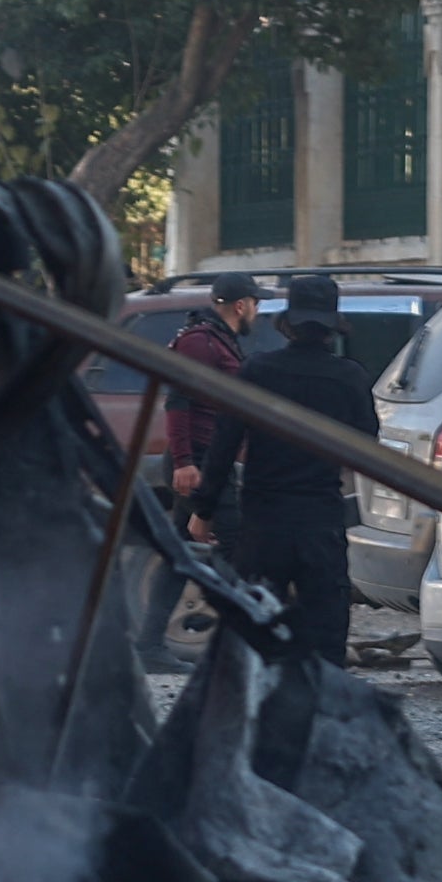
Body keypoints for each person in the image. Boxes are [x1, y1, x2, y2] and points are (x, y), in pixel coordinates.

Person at [220, 273, 380, 667]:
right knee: (326, 640)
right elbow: (366, 447)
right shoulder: (350, 377)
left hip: (263, 521)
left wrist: (205, 507)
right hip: (320, 521)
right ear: (333, 326)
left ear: (287, 323)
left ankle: (251, 718)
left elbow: (224, 442)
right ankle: (319, 719)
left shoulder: (257, 370)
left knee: (251, 638)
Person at [155, 276, 252, 528]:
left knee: (183, 548)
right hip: (198, 460)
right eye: (256, 303)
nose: (257, 310)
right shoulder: (200, 340)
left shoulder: (221, 339)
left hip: (213, 457)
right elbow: (178, 401)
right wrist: (184, 462)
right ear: (241, 306)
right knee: (231, 539)